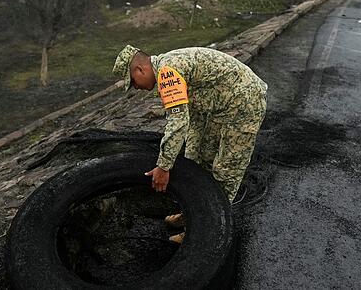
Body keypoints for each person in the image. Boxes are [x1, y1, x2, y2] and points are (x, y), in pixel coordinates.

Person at [113, 45, 268, 244]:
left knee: (225, 170)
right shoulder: (166, 67)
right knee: (197, 159)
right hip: (217, 107)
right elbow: (190, 118)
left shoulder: (167, 74)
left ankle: (208, 230)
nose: (136, 87)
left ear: (140, 70)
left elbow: (178, 123)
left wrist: (164, 166)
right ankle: (191, 214)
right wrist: (190, 157)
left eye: (133, 82)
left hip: (245, 104)